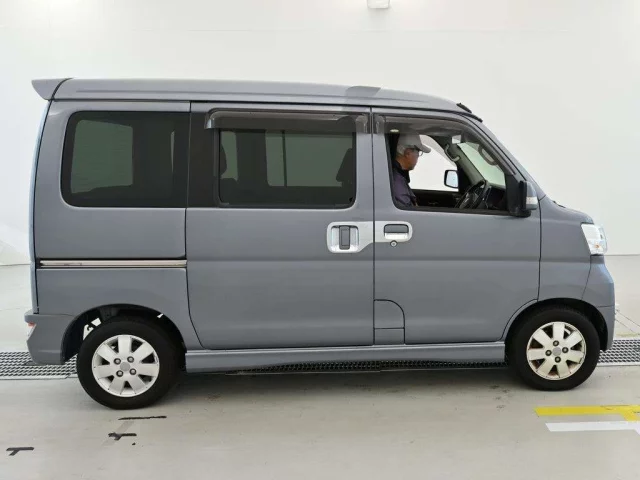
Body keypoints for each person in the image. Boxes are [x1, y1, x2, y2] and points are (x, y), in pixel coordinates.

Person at [392, 134, 431, 207]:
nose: (418, 156)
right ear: (407, 153)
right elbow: (407, 210)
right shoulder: (396, 179)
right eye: (418, 152)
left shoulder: (397, 175)